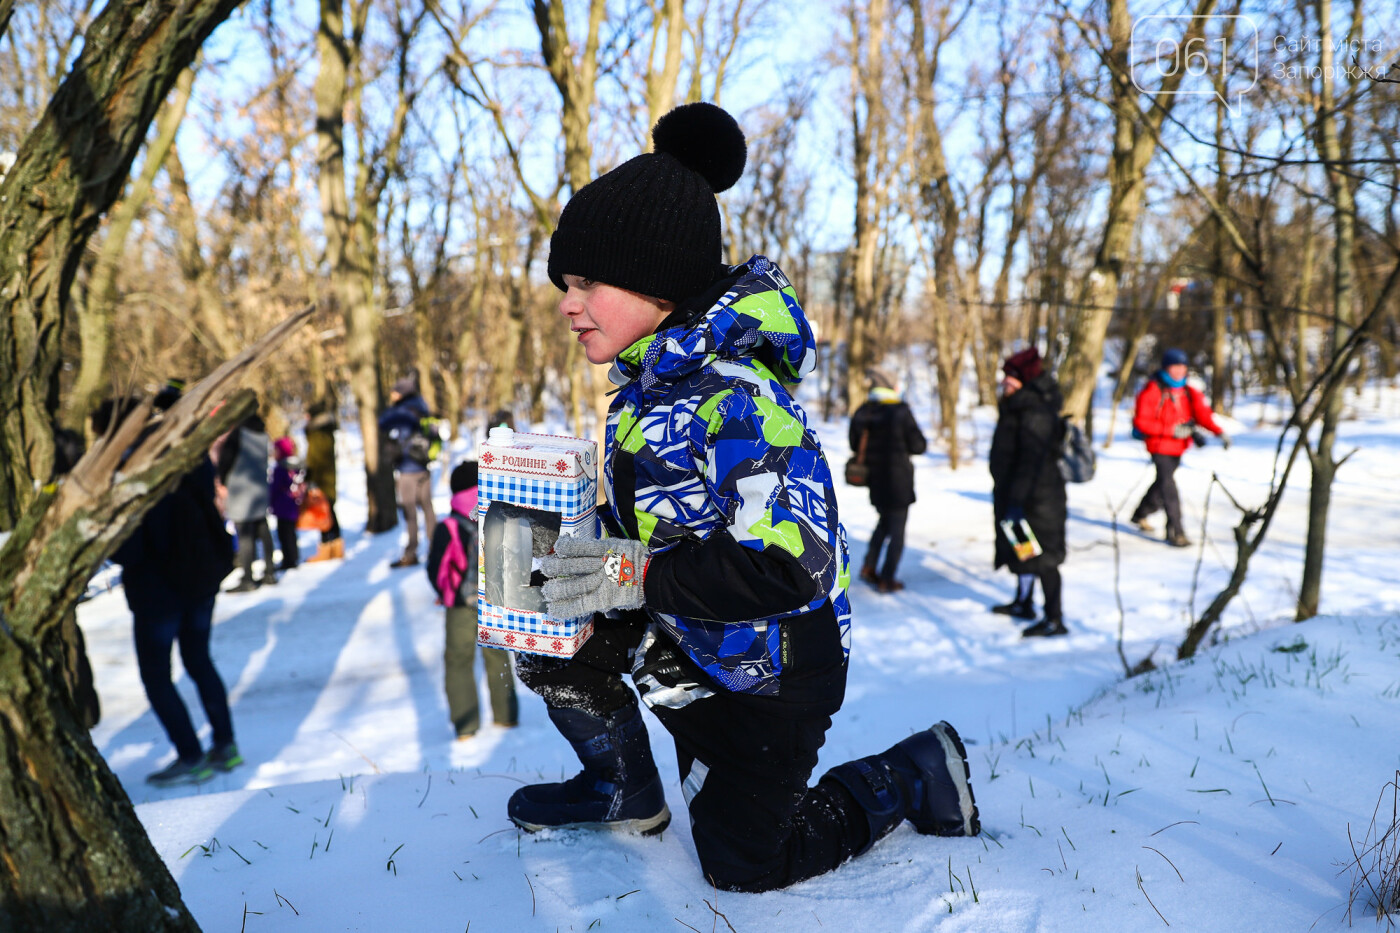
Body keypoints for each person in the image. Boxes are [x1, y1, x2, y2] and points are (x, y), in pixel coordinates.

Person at [507, 101, 979, 894]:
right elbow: (652, 528)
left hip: (773, 675)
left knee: (744, 864)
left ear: (657, 282)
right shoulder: (646, 395)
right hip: (688, 642)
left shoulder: (736, 400)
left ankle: (917, 771)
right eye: (564, 282)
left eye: (586, 280)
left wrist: (628, 578)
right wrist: (557, 542)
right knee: (535, 610)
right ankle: (622, 786)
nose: (566, 301)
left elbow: (789, 559)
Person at [111, 448, 243, 786]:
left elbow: (129, 550)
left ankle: (192, 757)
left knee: (157, 678)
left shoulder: (136, 479)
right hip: (199, 583)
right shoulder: (191, 461)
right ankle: (226, 746)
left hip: (159, 596)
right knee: (199, 660)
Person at [426, 460, 518, 739]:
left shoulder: (450, 526)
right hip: (494, 599)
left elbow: (434, 567)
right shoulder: (497, 517)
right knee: (498, 657)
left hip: (460, 606)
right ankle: (506, 716)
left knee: (458, 661)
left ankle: (466, 726)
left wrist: (444, 593)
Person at [988, 347, 1069, 637]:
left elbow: (1030, 462)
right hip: (1017, 496)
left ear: (1024, 380)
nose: (1004, 384)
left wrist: (1017, 501)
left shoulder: (1035, 410)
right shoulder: (1017, 406)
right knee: (1024, 553)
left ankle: (1054, 619)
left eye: (1010, 379)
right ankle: (1024, 603)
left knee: (1045, 558)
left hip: (1040, 498)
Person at [1130, 348, 1229, 548]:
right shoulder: (1152, 390)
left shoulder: (1188, 391)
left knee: (1161, 484)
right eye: (1175, 366)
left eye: (1183, 367)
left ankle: (1140, 514)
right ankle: (1176, 531)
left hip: (1178, 447)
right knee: (1169, 488)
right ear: (1166, 367)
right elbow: (1141, 422)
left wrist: (1219, 432)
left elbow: (1202, 414)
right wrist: (1171, 430)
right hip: (1158, 446)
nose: (1179, 371)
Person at [849, 368, 927, 594]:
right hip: (898, 480)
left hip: (874, 479)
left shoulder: (864, 411)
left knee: (884, 522)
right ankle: (887, 578)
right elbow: (919, 445)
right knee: (897, 533)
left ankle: (868, 566)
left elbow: (855, 444)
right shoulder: (900, 411)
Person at [379, 373, 436, 567]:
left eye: (395, 392)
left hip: (408, 468)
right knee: (428, 508)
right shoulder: (421, 404)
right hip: (423, 466)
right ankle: (435, 547)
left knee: (410, 511)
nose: (392, 395)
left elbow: (383, 422)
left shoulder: (403, 411)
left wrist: (393, 407)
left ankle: (410, 553)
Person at [218, 409, 277, 591]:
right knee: (262, 529)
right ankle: (269, 572)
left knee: (244, 534)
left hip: (240, 488)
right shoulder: (262, 433)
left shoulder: (238, 434)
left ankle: (248, 579)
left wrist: (222, 479)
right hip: (259, 487)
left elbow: (226, 460)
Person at [305, 399, 344, 562]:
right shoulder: (324, 431)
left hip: (321, 478)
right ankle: (334, 546)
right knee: (329, 511)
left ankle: (327, 547)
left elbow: (314, 458)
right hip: (326, 477)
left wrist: (309, 477)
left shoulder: (317, 433)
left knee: (323, 513)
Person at [269, 436, 302, 571]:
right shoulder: (297, 466)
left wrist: (271, 500)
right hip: (293, 505)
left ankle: (289, 560)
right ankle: (293, 557)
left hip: (282, 507)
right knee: (291, 533)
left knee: (284, 534)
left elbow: (274, 487)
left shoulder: (280, 468)